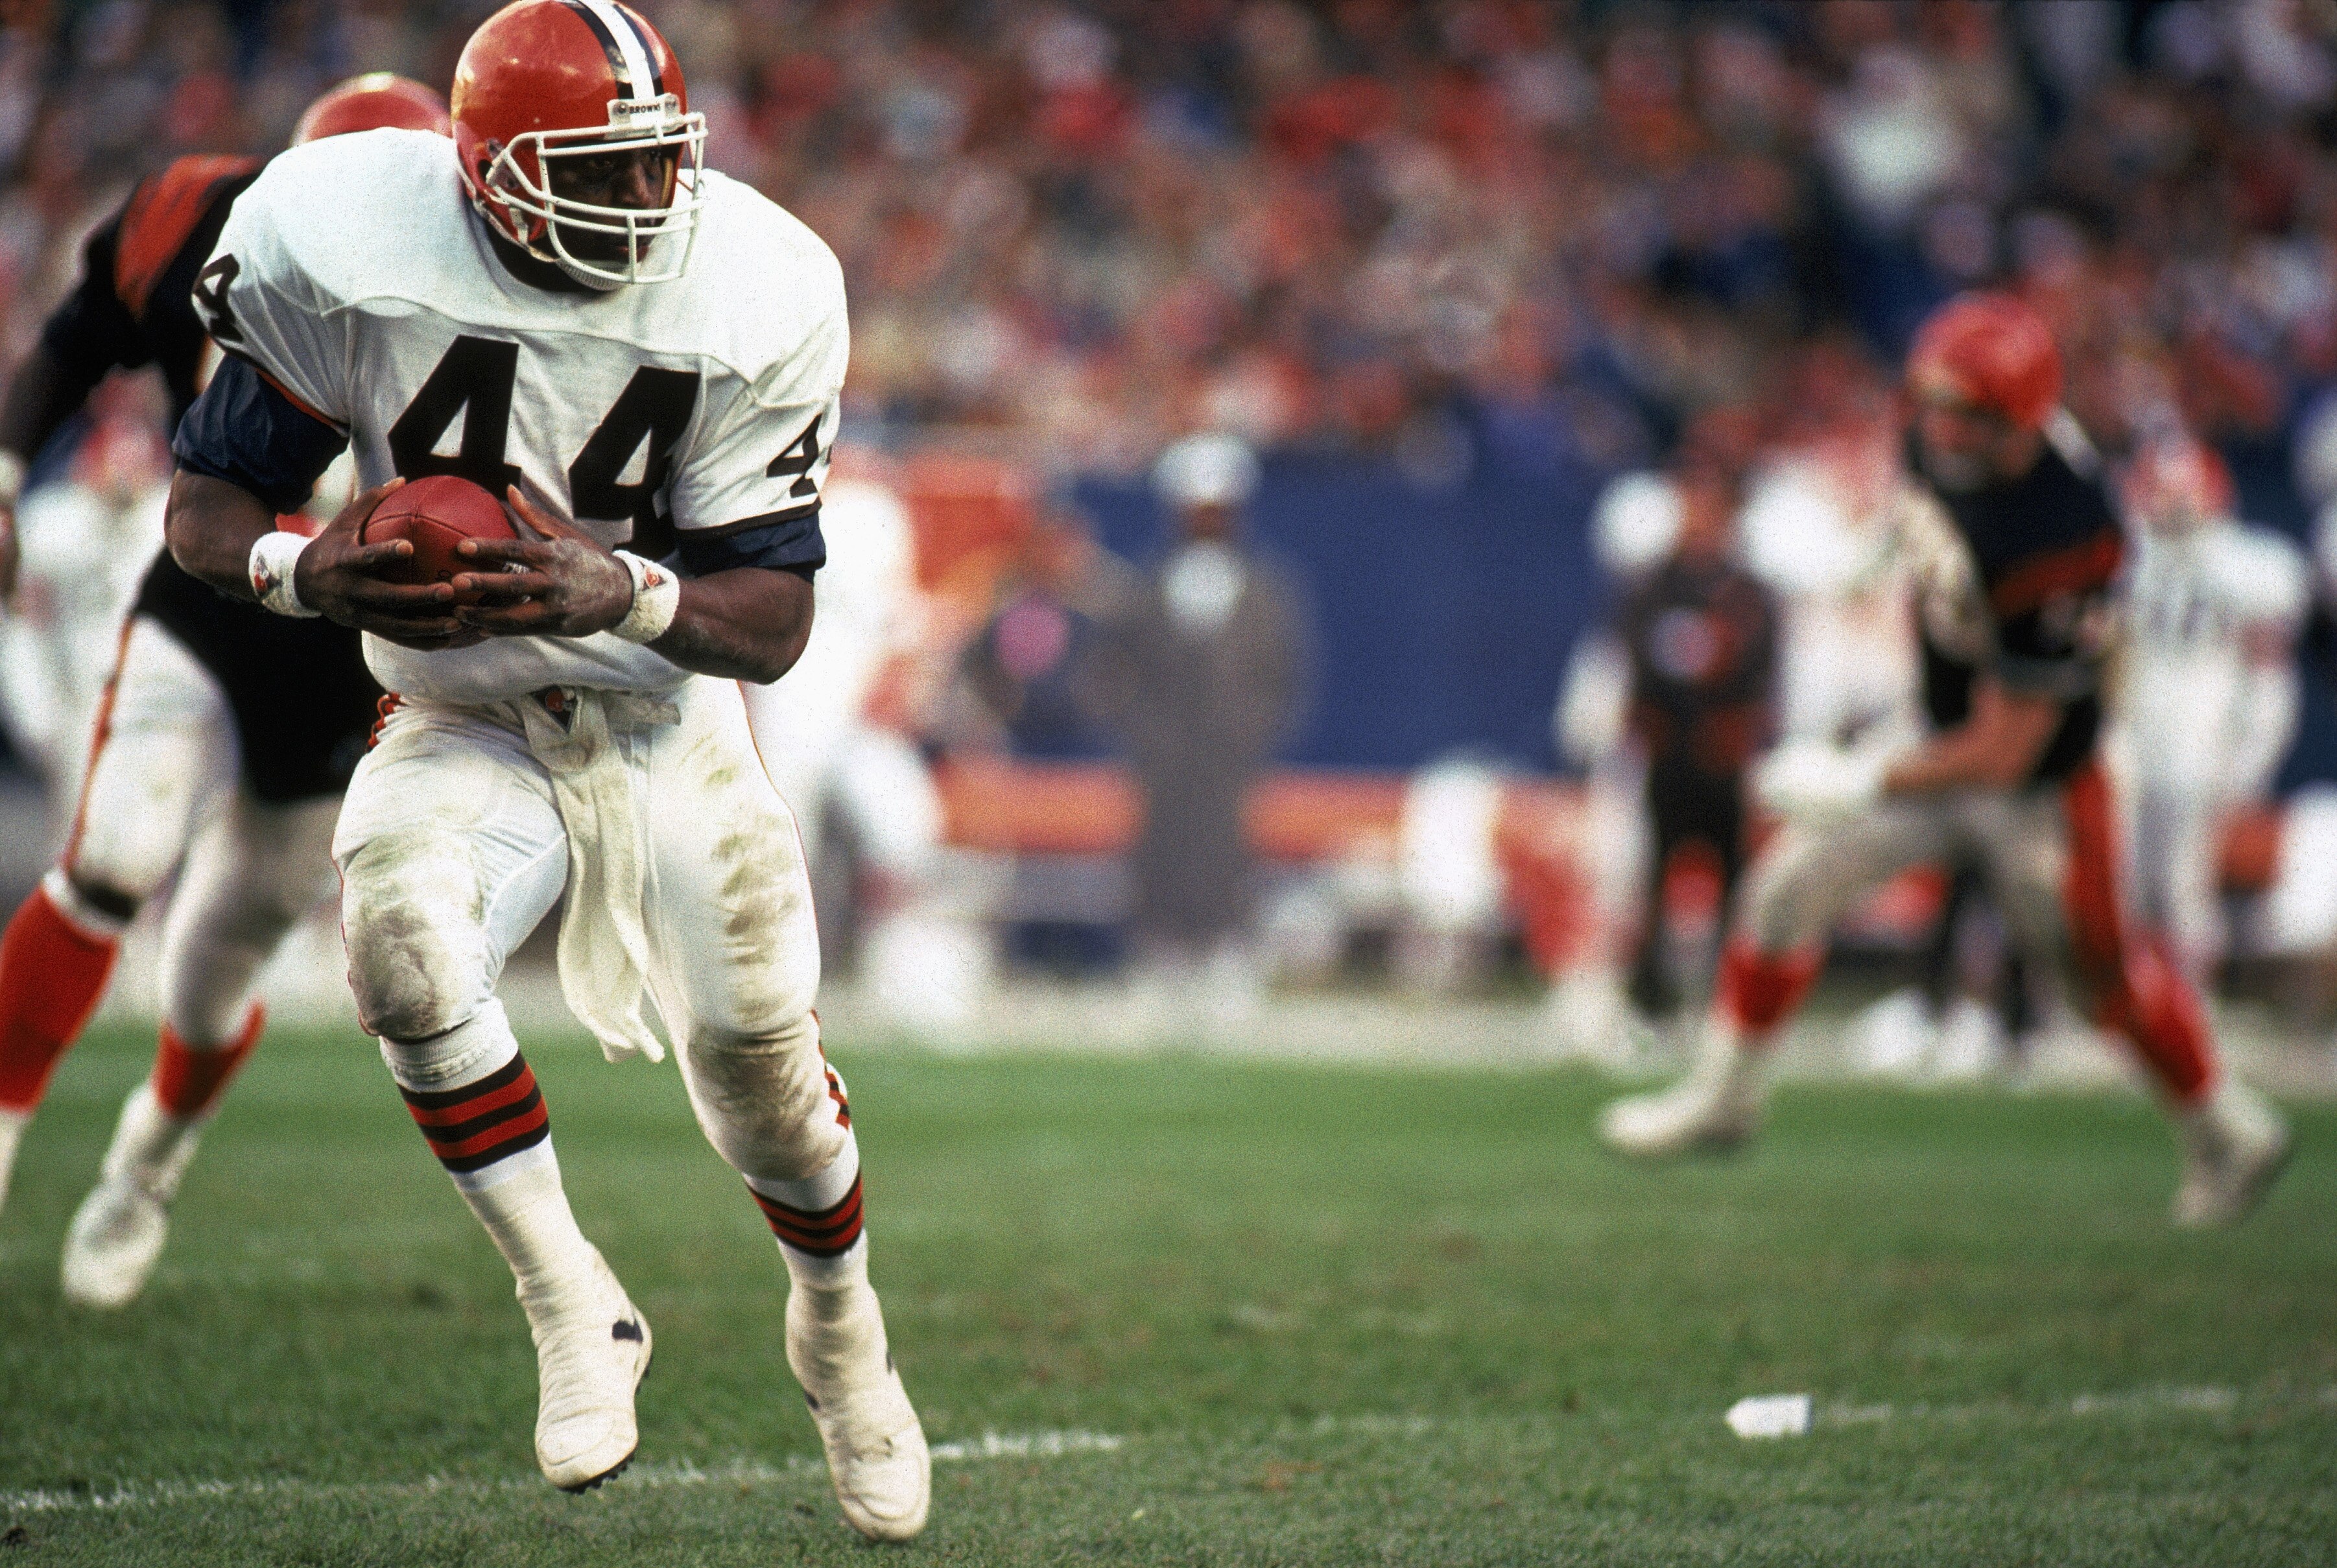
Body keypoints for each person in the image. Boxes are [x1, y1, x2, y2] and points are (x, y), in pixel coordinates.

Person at [159, 0, 925, 1538]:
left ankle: (841, 1331)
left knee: (766, 1093)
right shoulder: (345, 236)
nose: (646, 203)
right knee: (400, 947)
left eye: (657, 165)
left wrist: (621, 591)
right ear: (490, 175)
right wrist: (311, 572)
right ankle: (571, 1297)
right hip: (460, 715)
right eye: (601, 169)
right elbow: (206, 507)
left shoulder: (758, 281)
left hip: (662, 718)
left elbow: (768, 622)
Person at [1598, 292, 2290, 1228]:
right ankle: (1726, 1096)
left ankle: (2228, 1129)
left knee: (2103, 987)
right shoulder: (1938, 435)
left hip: (2042, 785)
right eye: (1937, 405)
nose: (1944, 430)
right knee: (1781, 893)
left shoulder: (2064, 526)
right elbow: (1922, 516)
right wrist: (1870, 560)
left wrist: (1860, 777)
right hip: (1939, 729)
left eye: (1970, 415)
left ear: (2022, 419)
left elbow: (2006, 749)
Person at [0, 73, 450, 1309]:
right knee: (111, 855)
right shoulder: (201, 217)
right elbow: (75, 341)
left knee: (218, 958)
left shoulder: (484, 289)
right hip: (215, 582)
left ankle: (145, 1161)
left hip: (350, 647)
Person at [1087, 433, 1308, 1005]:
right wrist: (1142, 732)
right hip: (1164, 753)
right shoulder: (1149, 587)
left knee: (1227, 850)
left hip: (1229, 754)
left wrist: (1249, 730)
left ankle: (1226, 956)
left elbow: (1281, 673)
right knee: (1161, 849)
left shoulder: (1264, 591)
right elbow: (1115, 671)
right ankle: (1160, 957)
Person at [2113, 435, 2307, 988]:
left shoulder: (2251, 565)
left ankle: (2189, 1004)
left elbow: (2271, 678)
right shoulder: (2125, 554)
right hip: (2133, 731)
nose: (2172, 506)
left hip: (2201, 736)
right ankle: (2124, 1007)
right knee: (2115, 880)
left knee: (2181, 883)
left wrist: (2253, 754)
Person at [1613, 410, 1777, 1023]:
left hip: (1723, 757)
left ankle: (1728, 1002)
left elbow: (1762, 672)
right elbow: (1636, 661)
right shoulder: (1654, 585)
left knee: (1737, 888)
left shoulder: (1749, 593)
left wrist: (1744, 733)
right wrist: (1646, 724)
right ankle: (1648, 1002)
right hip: (1669, 753)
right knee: (1656, 879)